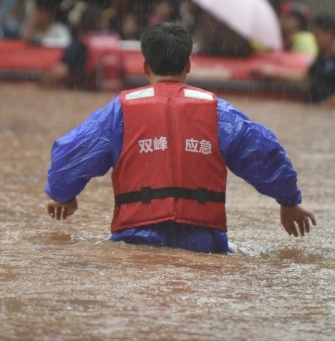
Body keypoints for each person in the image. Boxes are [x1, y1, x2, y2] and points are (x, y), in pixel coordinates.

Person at [45, 23, 316, 253]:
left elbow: (71, 154)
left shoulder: (119, 112)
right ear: (188, 65)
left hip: (136, 242)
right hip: (205, 244)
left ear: (145, 66)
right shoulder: (219, 112)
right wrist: (289, 201)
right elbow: (265, 153)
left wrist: (63, 195)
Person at [255, 14, 335, 107]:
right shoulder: (323, 54)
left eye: (317, 34)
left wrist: (320, 108)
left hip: (328, 113)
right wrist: (274, 72)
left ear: (329, 35)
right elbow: (307, 76)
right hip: (315, 104)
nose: (314, 39)